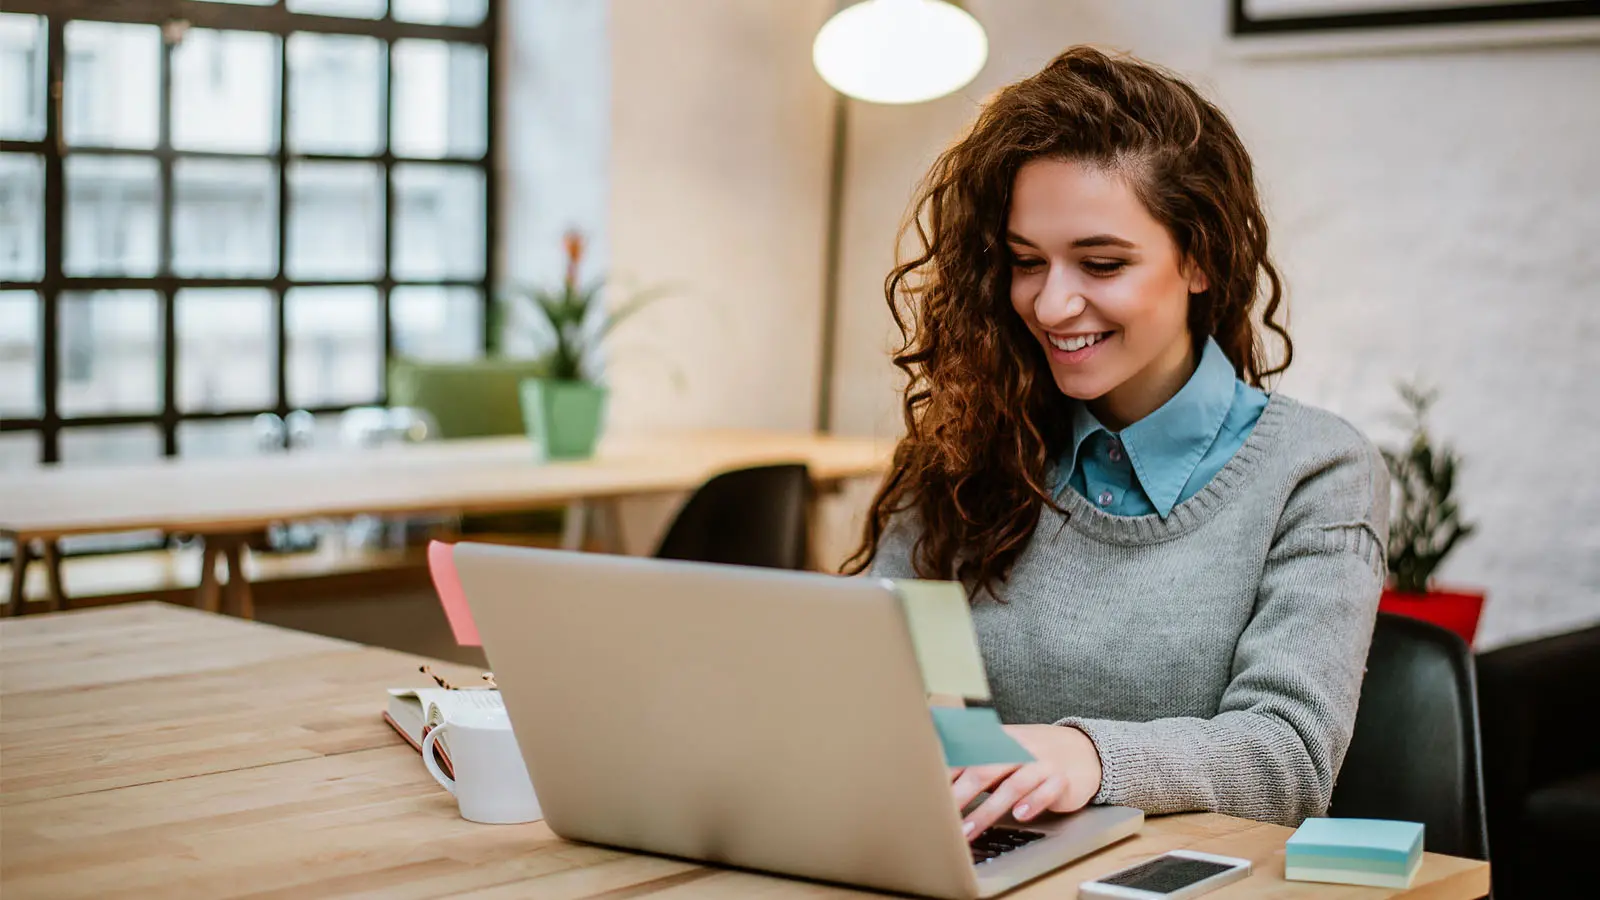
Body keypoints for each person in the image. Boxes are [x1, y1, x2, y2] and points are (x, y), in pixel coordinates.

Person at [844, 46, 1390, 839]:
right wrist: (913, 707)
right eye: (1027, 262)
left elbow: (1288, 758)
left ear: (1199, 258)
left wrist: (1083, 755)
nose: (1053, 304)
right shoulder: (973, 446)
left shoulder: (1316, 473)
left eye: (1101, 263)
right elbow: (888, 661)